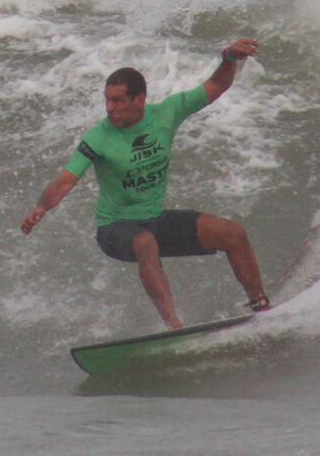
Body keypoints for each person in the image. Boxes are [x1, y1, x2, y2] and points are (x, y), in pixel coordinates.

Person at [21, 37, 271, 329]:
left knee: (233, 233)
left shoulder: (166, 113)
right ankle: (173, 326)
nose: (109, 108)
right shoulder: (98, 137)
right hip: (115, 229)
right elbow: (64, 182)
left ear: (139, 99)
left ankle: (262, 307)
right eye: (107, 100)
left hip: (154, 220)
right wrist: (41, 208)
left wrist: (228, 57)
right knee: (144, 241)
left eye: (117, 100)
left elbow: (216, 86)